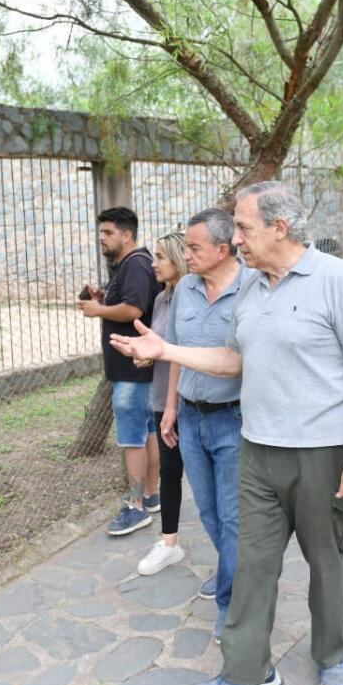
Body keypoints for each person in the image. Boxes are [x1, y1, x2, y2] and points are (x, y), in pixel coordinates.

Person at [110, 181, 343, 685]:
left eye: (243, 227)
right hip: (257, 450)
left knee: (325, 562)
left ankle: (332, 653)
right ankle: (247, 669)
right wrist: (166, 348)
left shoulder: (336, 281)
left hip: (322, 453)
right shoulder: (253, 288)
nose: (235, 239)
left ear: (279, 228)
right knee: (252, 563)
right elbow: (233, 360)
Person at [158, 208, 247, 637]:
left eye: (194, 248)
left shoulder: (252, 289)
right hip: (191, 418)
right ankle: (230, 572)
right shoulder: (186, 289)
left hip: (233, 419)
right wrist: (172, 407)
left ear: (222, 250)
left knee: (233, 516)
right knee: (208, 510)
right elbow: (174, 349)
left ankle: (232, 604)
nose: (186, 255)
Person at [78, 206, 162, 535]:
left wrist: (99, 309)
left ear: (127, 234)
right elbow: (125, 301)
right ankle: (151, 495)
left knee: (132, 439)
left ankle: (137, 506)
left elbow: (134, 308)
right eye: (100, 232)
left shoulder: (136, 264)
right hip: (135, 368)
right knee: (148, 433)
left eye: (108, 232)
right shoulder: (129, 265)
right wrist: (105, 297)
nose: (102, 238)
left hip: (132, 369)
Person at [135, 231, 189, 576]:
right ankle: (169, 542)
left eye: (160, 257)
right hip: (161, 396)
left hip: (189, 399)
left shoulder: (192, 297)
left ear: (180, 260)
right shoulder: (162, 298)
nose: (153, 264)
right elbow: (163, 346)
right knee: (170, 472)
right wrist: (147, 358)